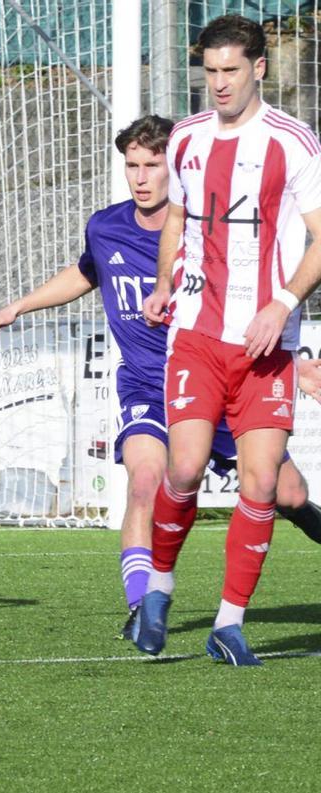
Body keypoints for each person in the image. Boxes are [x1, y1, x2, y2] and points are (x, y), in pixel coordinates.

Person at [0, 115, 321, 641]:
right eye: (131, 166)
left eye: (152, 166)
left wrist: (294, 359)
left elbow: (259, 290)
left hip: (220, 376)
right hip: (147, 384)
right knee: (145, 481)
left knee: (288, 495)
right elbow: (87, 272)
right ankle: (145, 609)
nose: (139, 178)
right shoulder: (106, 226)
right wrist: (19, 307)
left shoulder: (210, 229)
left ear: (176, 168)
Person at [139, 15, 321, 665]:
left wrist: (283, 302)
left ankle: (229, 622)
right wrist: (165, 281)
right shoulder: (186, 139)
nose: (218, 84)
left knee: (263, 482)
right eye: (209, 72)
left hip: (266, 344)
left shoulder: (293, 143)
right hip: (197, 333)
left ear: (259, 70)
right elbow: (179, 219)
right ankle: (159, 587)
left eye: (230, 71)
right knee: (184, 467)